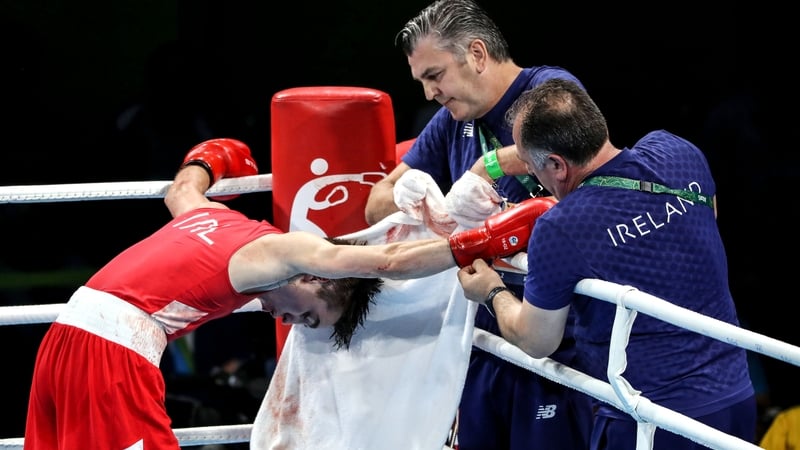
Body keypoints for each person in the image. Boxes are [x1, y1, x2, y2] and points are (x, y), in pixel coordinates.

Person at [23, 137, 534, 450]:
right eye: (308, 317)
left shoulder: (215, 219)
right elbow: (390, 262)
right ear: (316, 278)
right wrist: (481, 242)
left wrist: (214, 158)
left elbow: (181, 191)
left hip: (63, 340)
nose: (287, 322)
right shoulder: (284, 253)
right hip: (111, 357)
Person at [457, 78, 756, 449]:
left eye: (531, 166)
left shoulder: (562, 225)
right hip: (737, 397)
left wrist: (491, 291)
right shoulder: (679, 152)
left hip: (652, 420)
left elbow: (537, 340)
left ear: (556, 165)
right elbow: (707, 216)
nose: (533, 176)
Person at [364, 0, 593, 448]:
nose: (430, 93)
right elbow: (375, 205)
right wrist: (412, 195)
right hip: (483, 332)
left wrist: (484, 169)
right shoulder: (453, 120)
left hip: (558, 339)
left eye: (435, 76)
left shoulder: (552, 90)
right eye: (422, 81)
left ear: (477, 54)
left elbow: (574, 155)